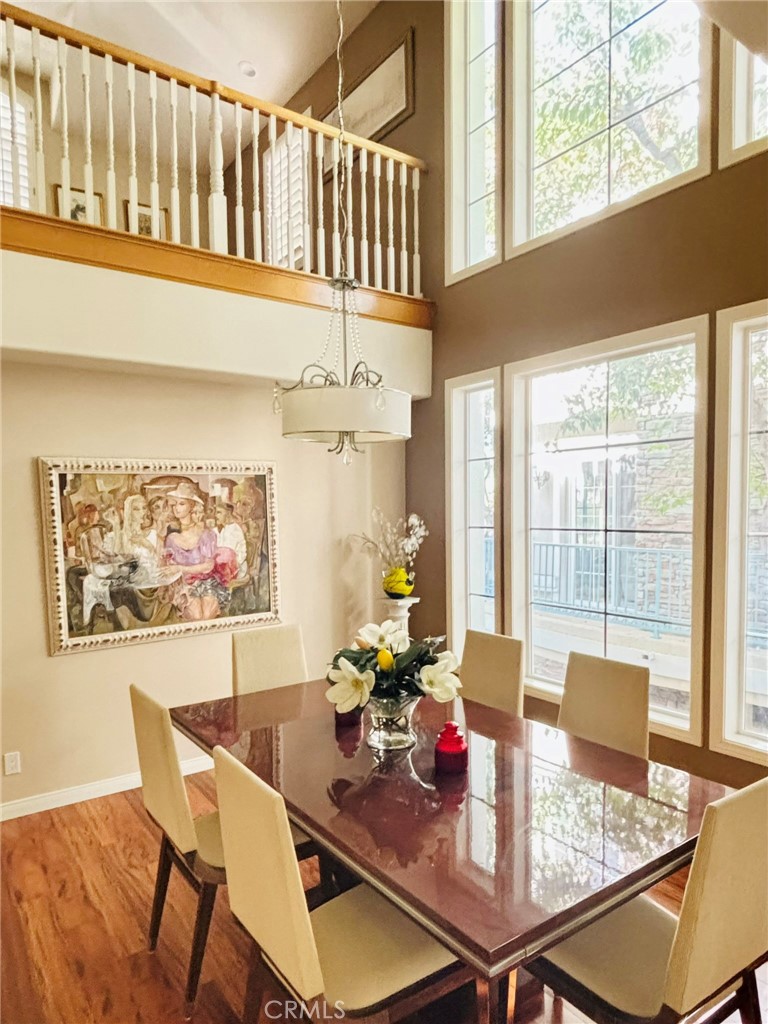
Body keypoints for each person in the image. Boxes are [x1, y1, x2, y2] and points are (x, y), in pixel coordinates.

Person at [164, 481, 237, 620]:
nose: (176, 508)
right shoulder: (172, 538)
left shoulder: (206, 534)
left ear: (192, 506)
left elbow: (207, 567)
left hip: (208, 582)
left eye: (181, 504)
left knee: (207, 615)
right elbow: (169, 568)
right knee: (197, 616)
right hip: (184, 586)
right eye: (175, 504)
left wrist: (180, 568)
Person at [215, 502, 248, 579]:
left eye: (219, 512)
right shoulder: (224, 529)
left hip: (235, 568)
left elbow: (229, 555)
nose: (216, 516)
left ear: (228, 513)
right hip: (223, 566)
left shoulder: (234, 530)